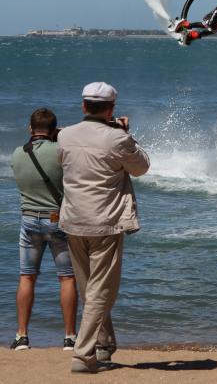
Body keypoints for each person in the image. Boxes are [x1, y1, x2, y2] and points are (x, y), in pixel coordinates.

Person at [58, 81, 150, 374]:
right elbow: (141, 166)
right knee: (102, 292)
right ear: (111, 108)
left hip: (73, 220)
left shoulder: (65, 136)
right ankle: (84, 355)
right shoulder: (117, 138)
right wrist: (124, 132)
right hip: (105, 223)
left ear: (84, 106)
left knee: (90, 290)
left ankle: (103, 345)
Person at [10, 108, 78, 351]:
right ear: (54, 129)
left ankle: (21, 336)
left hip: (28, 220)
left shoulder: (18, 153)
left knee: (27, 276)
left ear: (30, 129)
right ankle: (70, 337)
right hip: (57, 219)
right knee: (67, 277)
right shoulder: (61, 151)